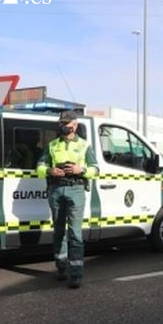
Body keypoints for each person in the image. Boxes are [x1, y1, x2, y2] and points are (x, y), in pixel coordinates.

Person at [36, 111, 99, 287]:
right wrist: (50, 171)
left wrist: (81, 170)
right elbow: (39, 166)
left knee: (75, 233)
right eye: (61, 123)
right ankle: (61, 267)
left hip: (76, 189)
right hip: (56, 190)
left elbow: (96, 169)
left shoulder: (84, 145)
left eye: (66, 123)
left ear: (75, 125)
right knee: (59, 232)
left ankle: (76, 273)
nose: (63, 126)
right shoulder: (52, 145)